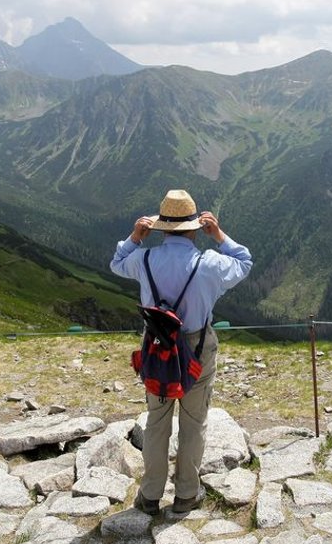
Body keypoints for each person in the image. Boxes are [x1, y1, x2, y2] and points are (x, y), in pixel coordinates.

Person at [110, 189, 252, 515]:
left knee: (157, 423)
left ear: (160, 227)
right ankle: (187, 493)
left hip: (157, 349)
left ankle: (149, 496)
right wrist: (218, 235)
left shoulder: (143, 258)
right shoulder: (210, 263)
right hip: (196, 347)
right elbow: (244, 262)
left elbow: (116, 262)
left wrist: (134, 237)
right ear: (194, 227)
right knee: (193, 421)